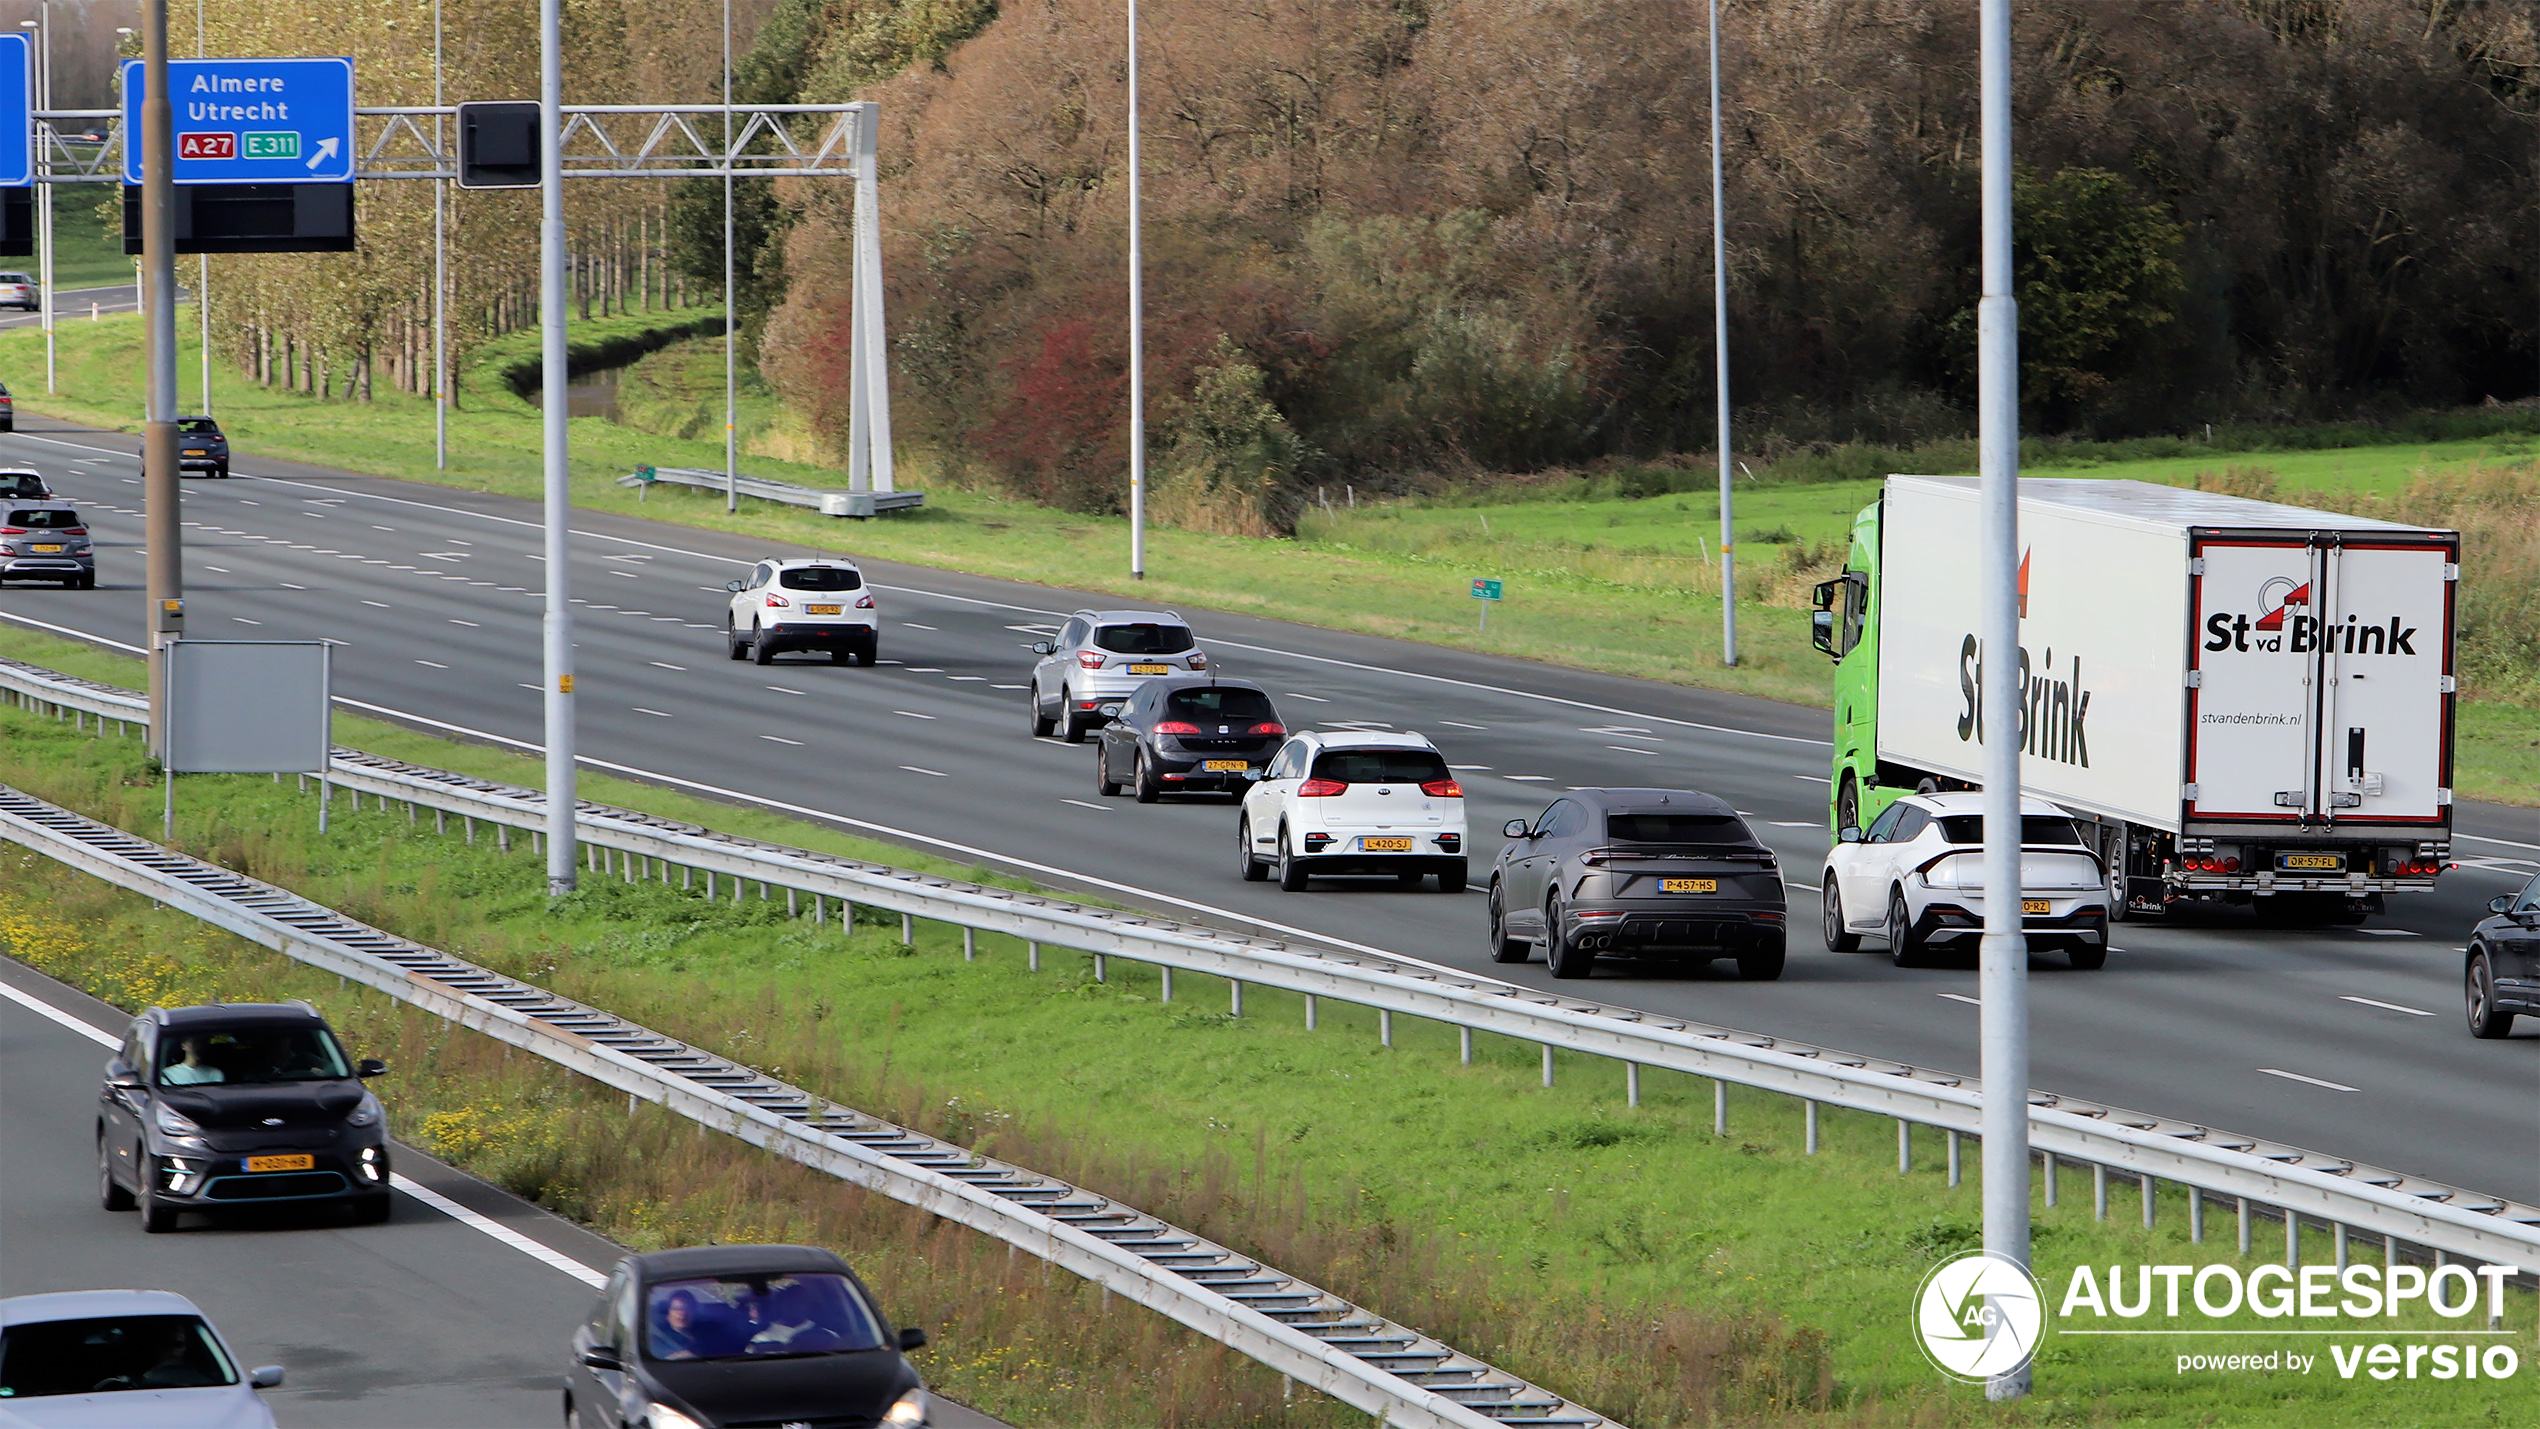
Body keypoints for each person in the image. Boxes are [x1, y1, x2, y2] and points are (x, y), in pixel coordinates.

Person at [651, 1289, 701, 1360]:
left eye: (687, 1308)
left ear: (694, 1312)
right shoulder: (658, 1340)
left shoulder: (707, 1336)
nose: (682, 1313)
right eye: (676, 1308)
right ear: (668, 1313)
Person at [158, 1037, 223, 1085]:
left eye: (202, 1043)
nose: (198, 1047)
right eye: (194, 1043)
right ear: (183, 1046)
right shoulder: (169, 1075)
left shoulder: (215, 1074)